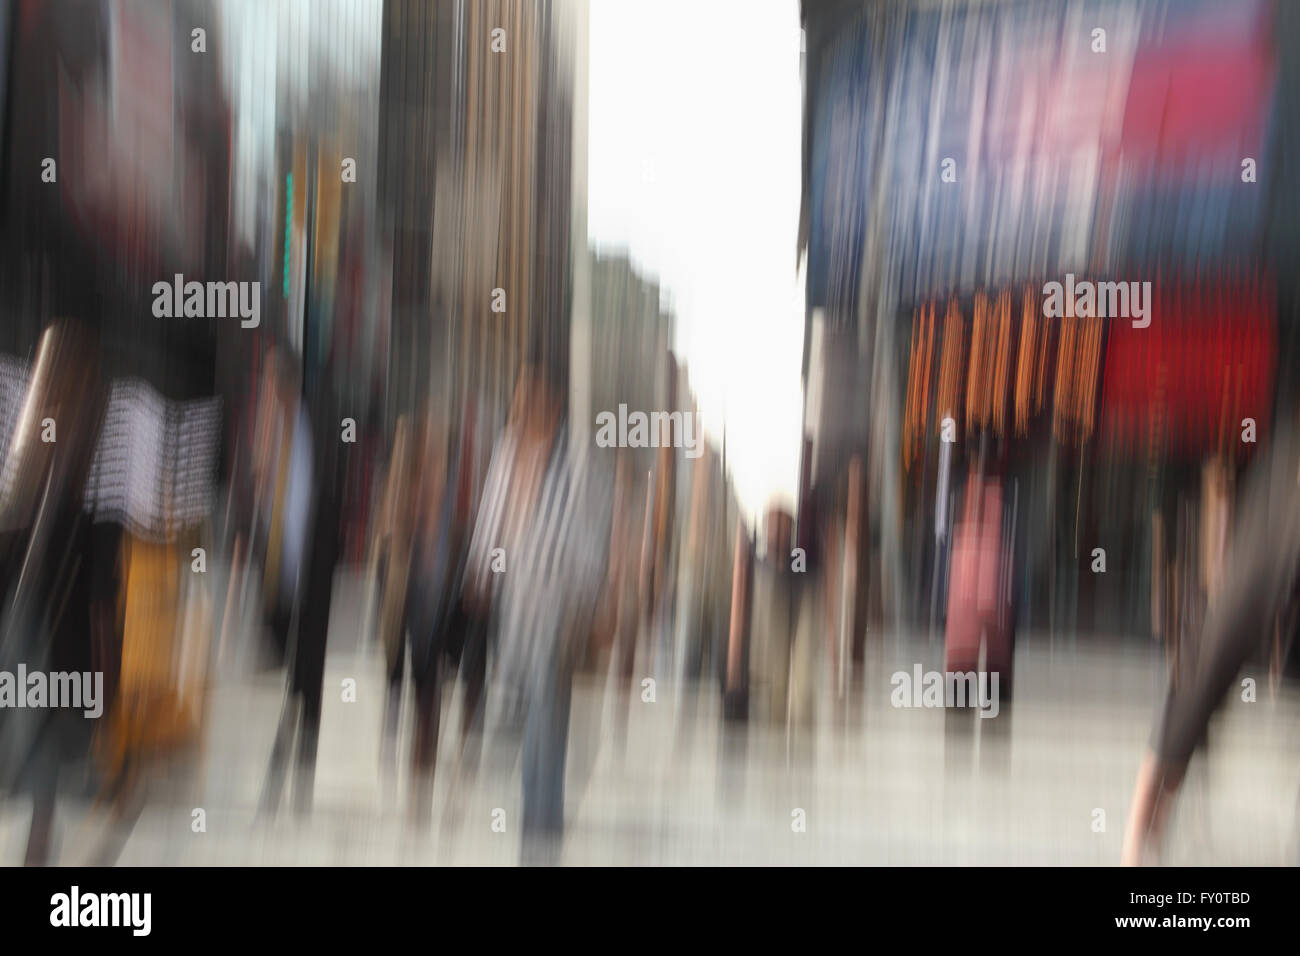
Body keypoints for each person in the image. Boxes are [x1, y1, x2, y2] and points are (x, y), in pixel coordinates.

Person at [1122, 420, 1300, 864]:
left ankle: (1140, 847)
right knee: (1171, 746)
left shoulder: (1269, 490)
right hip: (1213, 630)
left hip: (1218, 626)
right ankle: (1135, 849)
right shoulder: (1268, 494)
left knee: (1173, 748)